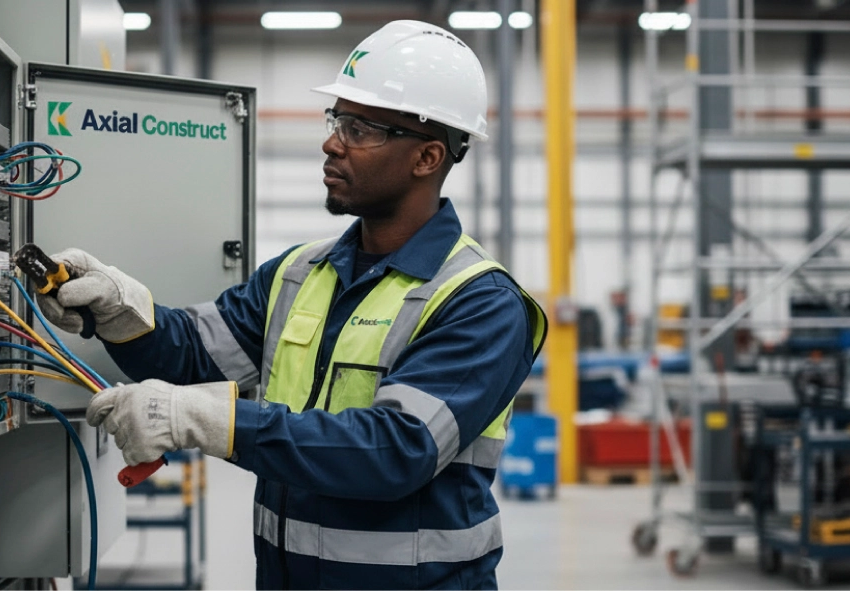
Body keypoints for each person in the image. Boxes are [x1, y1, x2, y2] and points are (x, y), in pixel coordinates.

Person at [40, 20, 546, 590]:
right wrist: (122, 312)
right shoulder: (299, 272)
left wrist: (212, 419)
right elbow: (195, 355)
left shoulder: (481, 302)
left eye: (360, 128)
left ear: (427, 157)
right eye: (336, 120)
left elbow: (395, 450)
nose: (332, 142)